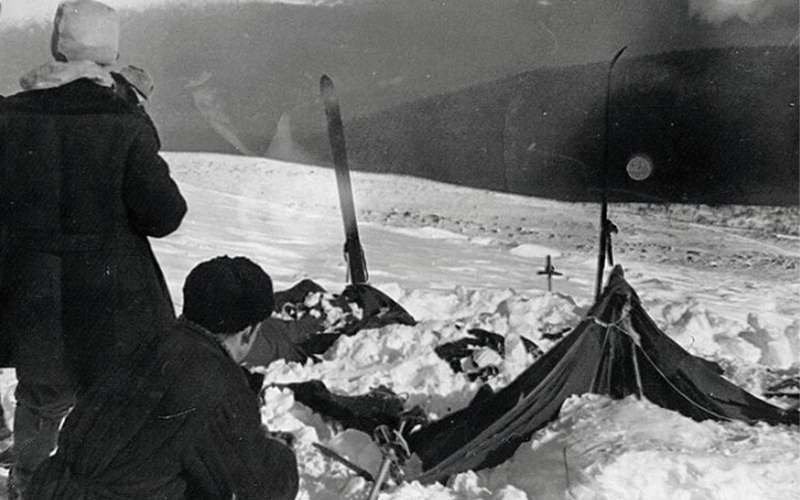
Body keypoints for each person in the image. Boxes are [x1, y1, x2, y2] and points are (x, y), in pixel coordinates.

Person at [0, 0, 186, 495]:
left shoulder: (7, 115)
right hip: (112, 295)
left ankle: (27, 486)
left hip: (31, 291)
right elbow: (165, 216)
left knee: (39, 397)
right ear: (112, 51)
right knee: (109, 400)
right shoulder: (123, 118)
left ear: (56, 46)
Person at [27, 256, 300, 500]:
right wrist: (279, 451)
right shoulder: (217, 381)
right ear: (248, 332)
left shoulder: (143, 342)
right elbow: (261, 487)